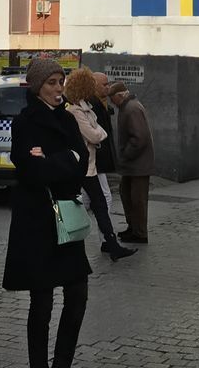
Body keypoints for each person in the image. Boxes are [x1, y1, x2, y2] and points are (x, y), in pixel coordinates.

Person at [3, 59, 91, 368]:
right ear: (38, 85)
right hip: (37, 221)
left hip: (66, 217)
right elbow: (30, 170)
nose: (58, 88)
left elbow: (82, 163)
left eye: (60, 81)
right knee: (41, 302)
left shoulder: (67, 120)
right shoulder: (25, 121)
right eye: (52, 82)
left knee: (78, 293)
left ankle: (62, 362)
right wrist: (66, 158)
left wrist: (56, 160)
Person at [63, 68, 135, 262]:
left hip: (90, 164)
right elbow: (95, 134)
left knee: (95, 203)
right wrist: (97, 136)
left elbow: (98, 132)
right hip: (84, 166)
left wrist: (97, 136)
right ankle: (106, 243)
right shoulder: (75, 111)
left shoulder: (84, 107)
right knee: (94, 203)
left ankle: (110, 244)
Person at [109, 81, 154, 244]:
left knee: (137, 200)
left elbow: (139, 138)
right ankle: (133, 228)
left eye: (112, 98)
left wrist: (126, 154)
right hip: (132, 164)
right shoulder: (127, 107)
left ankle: (140, 233)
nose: (111, 102)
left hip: (137, 164)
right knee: (127, 195)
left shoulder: (132, 108)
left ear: (120, 96)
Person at [90, 72, 116, 214]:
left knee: (87, 197)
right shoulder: (93, 104)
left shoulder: (102, 103)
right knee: (105, 196)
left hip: (97, 159)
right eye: (105, 84)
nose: (108, 87)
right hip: (95, 158)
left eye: (108, 84)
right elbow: (95, 134)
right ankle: (105, 234)